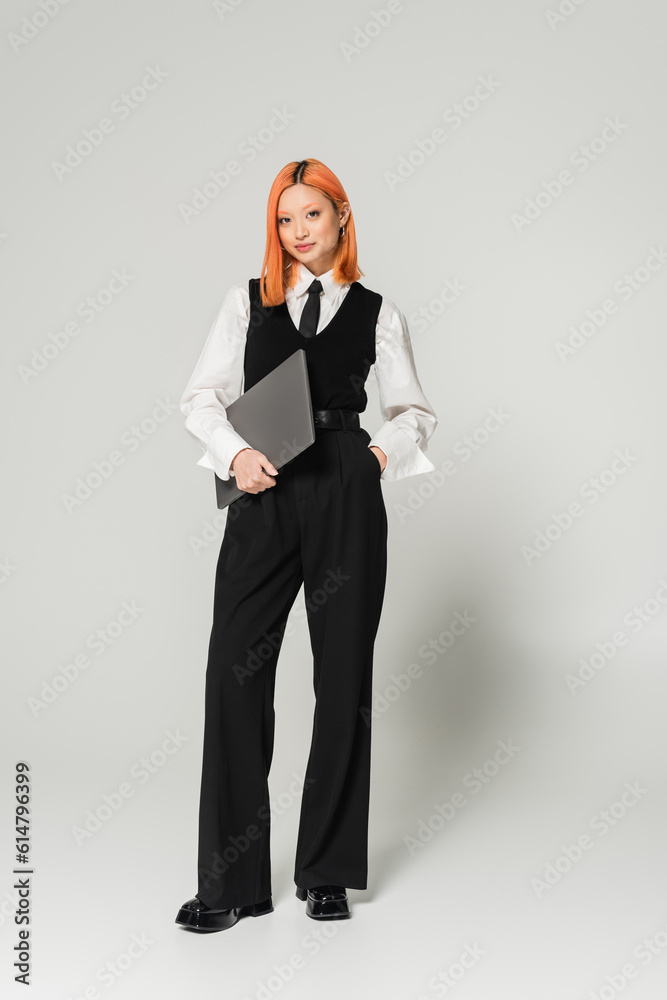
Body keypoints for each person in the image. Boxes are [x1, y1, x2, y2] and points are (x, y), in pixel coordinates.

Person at [175, 158, 438, 932]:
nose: (296, 232)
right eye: (283, 220)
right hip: (262, 492)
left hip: (343, 491)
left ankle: (327, 874)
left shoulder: (378, 312)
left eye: (310, 215)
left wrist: (376, 457)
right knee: (233, 673)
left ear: (341, 216)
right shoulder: (246, 302)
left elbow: (413, 411)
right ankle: (230, 884)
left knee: (342, 677)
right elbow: (200, 398)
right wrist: (234, 456)